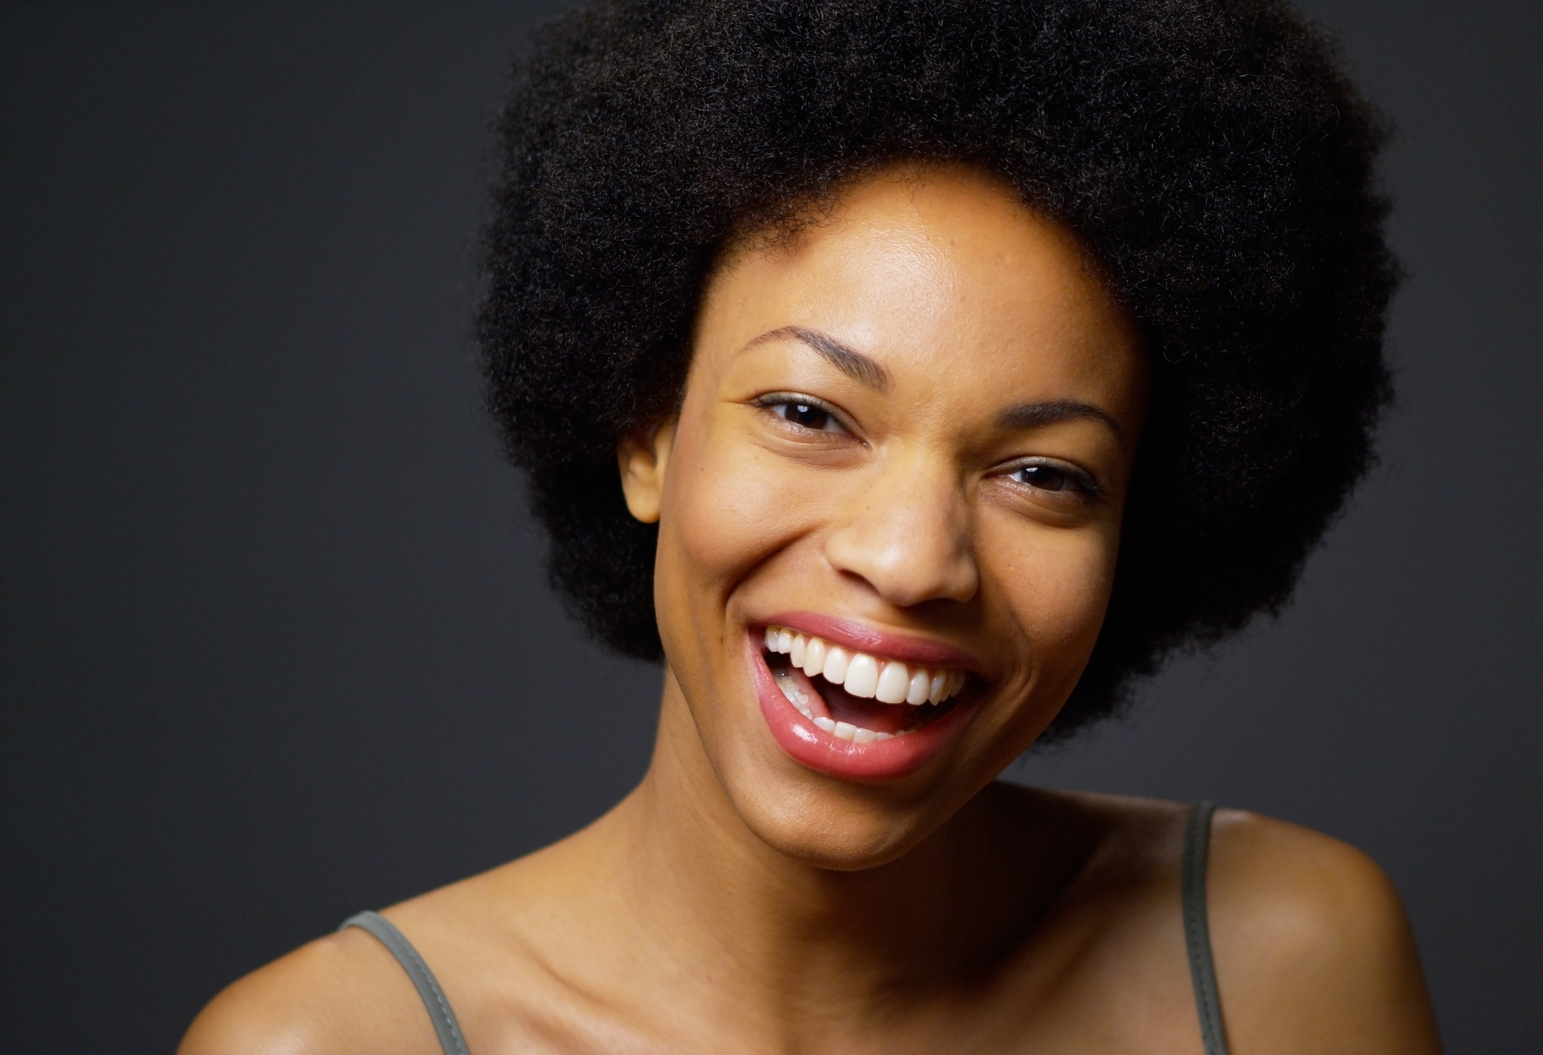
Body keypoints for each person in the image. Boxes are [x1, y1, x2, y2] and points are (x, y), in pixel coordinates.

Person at [180, 0, 1440, 1051]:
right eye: (808, 410)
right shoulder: (335, 1043)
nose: (908, 559)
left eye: (1043, 475)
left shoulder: (1282, 963)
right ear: (646, 431)